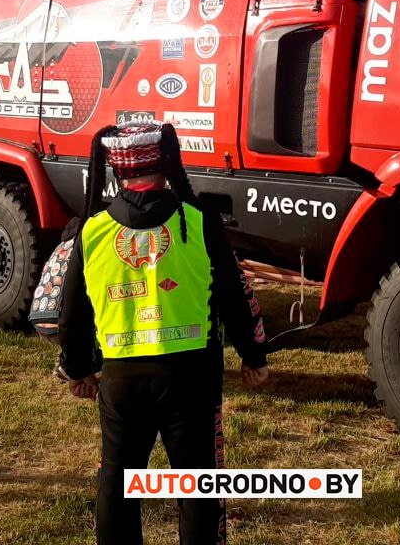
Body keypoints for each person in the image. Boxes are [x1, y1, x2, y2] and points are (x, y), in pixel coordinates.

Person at [58, 121, 270, 545]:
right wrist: (253, 355)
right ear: (167, 163)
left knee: (117, 484)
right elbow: (234, 293)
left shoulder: (92, 230)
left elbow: (72, 312)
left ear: (118, 170)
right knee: (198, 488)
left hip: (121, 378)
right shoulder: (198, 220)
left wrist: (77, 368)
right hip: (191, 377)